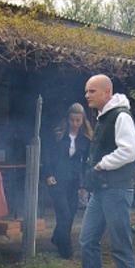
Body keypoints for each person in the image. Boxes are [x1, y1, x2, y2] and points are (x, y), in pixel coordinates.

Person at [65, 74, 135, 268]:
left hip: (116, 189)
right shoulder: (103, 116)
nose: (87, 95)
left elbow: (129, 151)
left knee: (120, 243)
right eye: (86, 91)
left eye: (92, 91)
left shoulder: (121, 116)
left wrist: (101, 164)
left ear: (107, 93)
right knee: (87, 239)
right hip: (101, 190)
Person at [41, 102, 91, 259]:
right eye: (72, 120)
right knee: (63, 213)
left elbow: (85, 163)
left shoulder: (86, 139)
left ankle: (57, 238)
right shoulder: (58, 135)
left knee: (71, 213)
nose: (75, 124)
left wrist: (84, 184)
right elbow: (46, 156)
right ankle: (65, 248)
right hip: (56, 179)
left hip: (74, 181)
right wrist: (48, 174)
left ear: (83, 121)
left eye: (78, 120)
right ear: (67, 119)